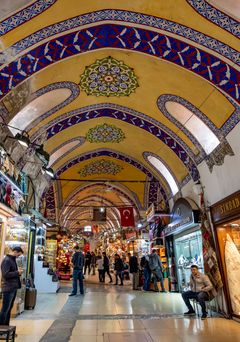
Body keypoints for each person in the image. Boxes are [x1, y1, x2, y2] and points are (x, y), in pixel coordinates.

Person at [0, 246, 24, 326]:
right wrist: (17, 272)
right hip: (8, 288)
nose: (18, 257)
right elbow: (5, 274)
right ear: (15, 252)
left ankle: (6, 328)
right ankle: (1, 329)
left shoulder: (11, 260)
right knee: (5, 309)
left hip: (12, 287)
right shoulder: (7, 260)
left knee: (8, 308)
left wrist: (17, 272)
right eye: (18, 255)